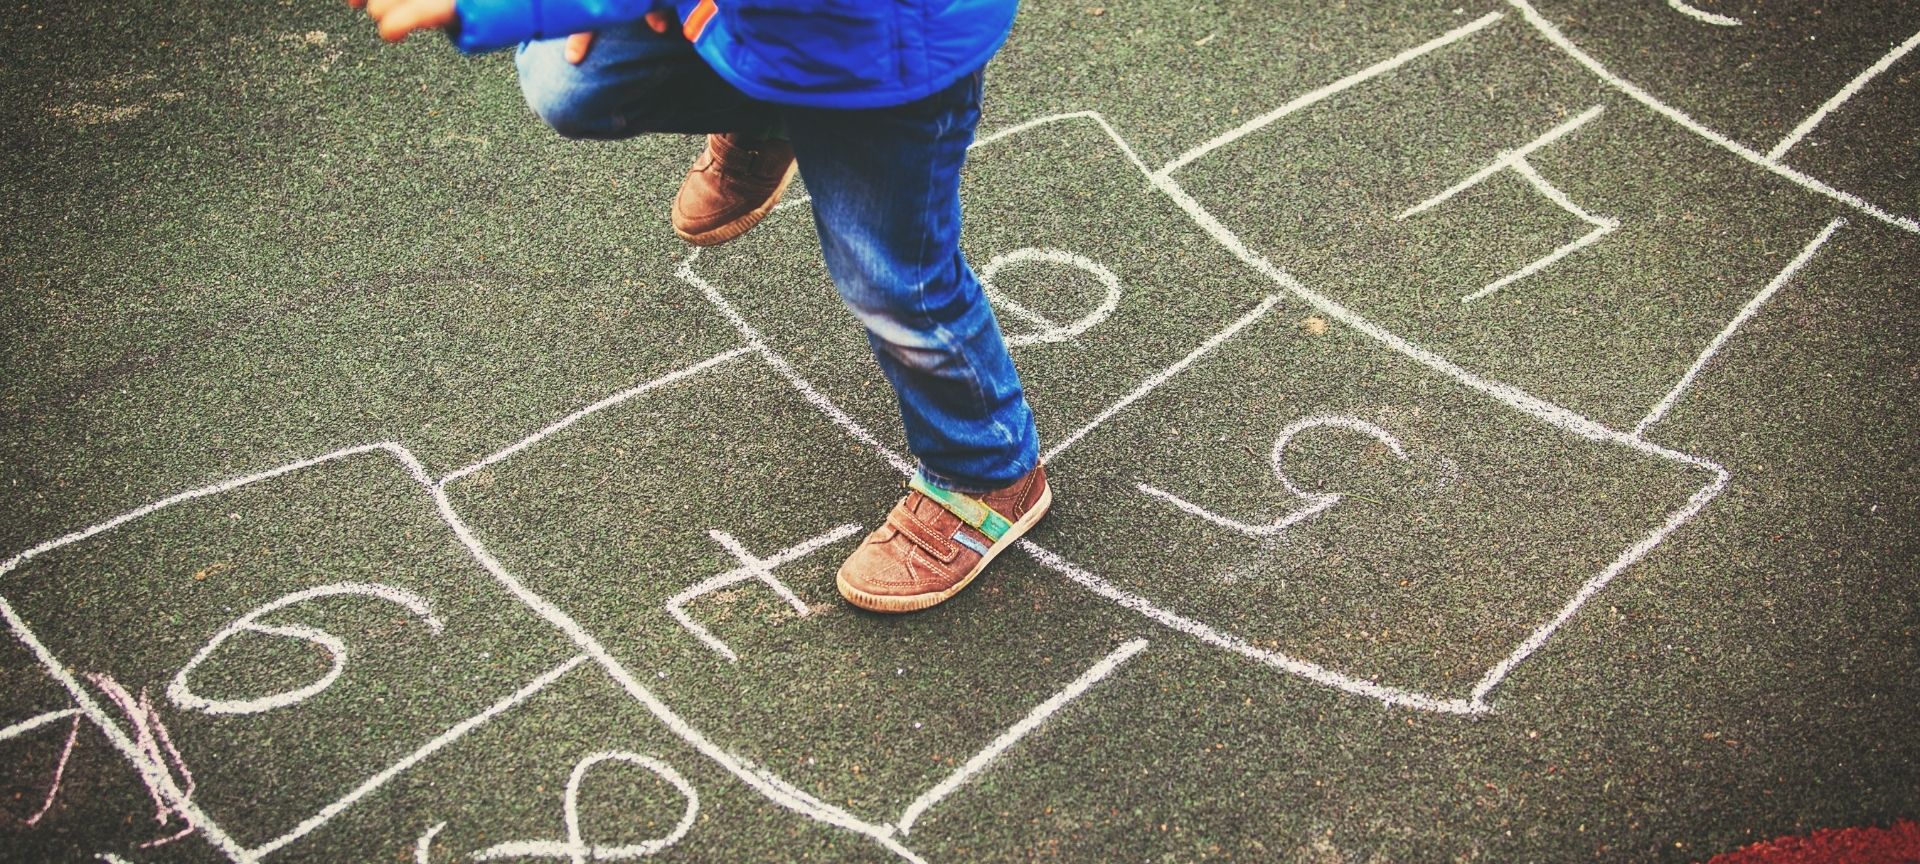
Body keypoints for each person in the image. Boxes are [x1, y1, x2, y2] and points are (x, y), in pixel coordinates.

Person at [347, 0, 1050, 613]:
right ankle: (772, 106)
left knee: (894, 283)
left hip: (884, 53)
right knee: (569, 81)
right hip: (766, 26)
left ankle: (987, 473)